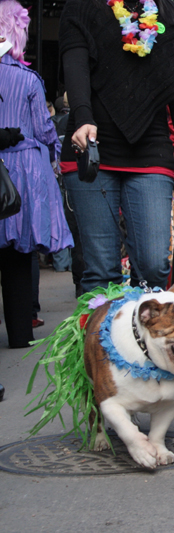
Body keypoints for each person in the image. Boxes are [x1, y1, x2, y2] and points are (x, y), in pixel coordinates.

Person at [59, 0, 174, 294]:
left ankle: (139, 335)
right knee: (100, 269)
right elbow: (74, 65)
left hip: (151, 151)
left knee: (153, 266)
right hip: (93, 145)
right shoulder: (81, 6)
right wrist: (83, 118)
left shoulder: (170, 12)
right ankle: (101, 340)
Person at [0, 5, 73, 350]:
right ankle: (19, 333)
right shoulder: (28, 79)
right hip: (21, 173)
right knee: (18, 254)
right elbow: (44, 130)